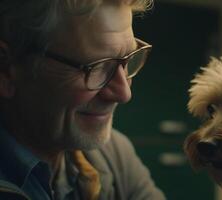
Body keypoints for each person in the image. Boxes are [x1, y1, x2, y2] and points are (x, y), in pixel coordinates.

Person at [0, 0, 165, 199]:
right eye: (95, 66)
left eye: (128, 59)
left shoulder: (115, 155)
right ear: (6, 70)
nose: (124, 94)